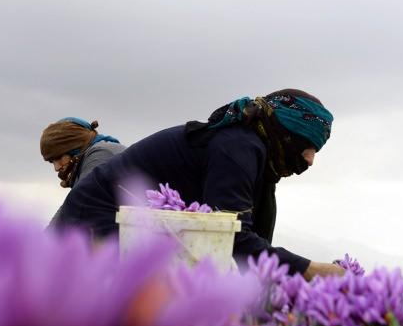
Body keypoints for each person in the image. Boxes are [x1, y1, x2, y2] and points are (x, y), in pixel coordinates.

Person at [49, 90, 345, 280]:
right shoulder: (238, 147)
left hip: (124, 219)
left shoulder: (251, 149)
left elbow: (247, 237)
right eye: (308, 146)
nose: (309, 161)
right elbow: (234, 238)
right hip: (98, 217)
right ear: (285, 133)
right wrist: (309, 269)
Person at [41, 118, 126, 225]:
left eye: (58, 158)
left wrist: (47, 239)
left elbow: (79, 203)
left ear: (74, 148)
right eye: (51, 161)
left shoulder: (100, 154)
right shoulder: (92, 155)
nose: (56, 168)